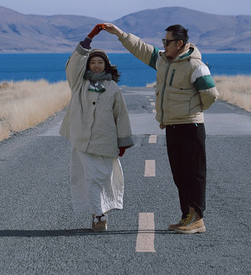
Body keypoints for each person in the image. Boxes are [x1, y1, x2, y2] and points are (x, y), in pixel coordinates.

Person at [102, 22, 219, 234]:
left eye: (167, 42)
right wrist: (119, 33)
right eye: (163, 41)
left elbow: (210, 94)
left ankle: (197, 218)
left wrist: (194, 110)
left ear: (179, 43)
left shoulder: (195, 65)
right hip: (172, 126)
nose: (164, 45)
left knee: (194, 174)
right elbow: (141, 49)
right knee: (179, 175)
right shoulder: (163, 60)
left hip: (191, 126)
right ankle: (187, 216)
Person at [59, 24, 134, 232]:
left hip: (105, 140)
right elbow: (73, 65)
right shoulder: (79, 83)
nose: (96, 65)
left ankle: (100, 210)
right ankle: (99, 216)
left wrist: (123, 142)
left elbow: (121, 115)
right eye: (93, 62)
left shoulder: (113, 88)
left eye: (100, 62)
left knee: (103, 178)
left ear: (106, 65)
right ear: (88, 65)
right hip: (82, 140)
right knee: (91, 177)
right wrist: (89, 38)